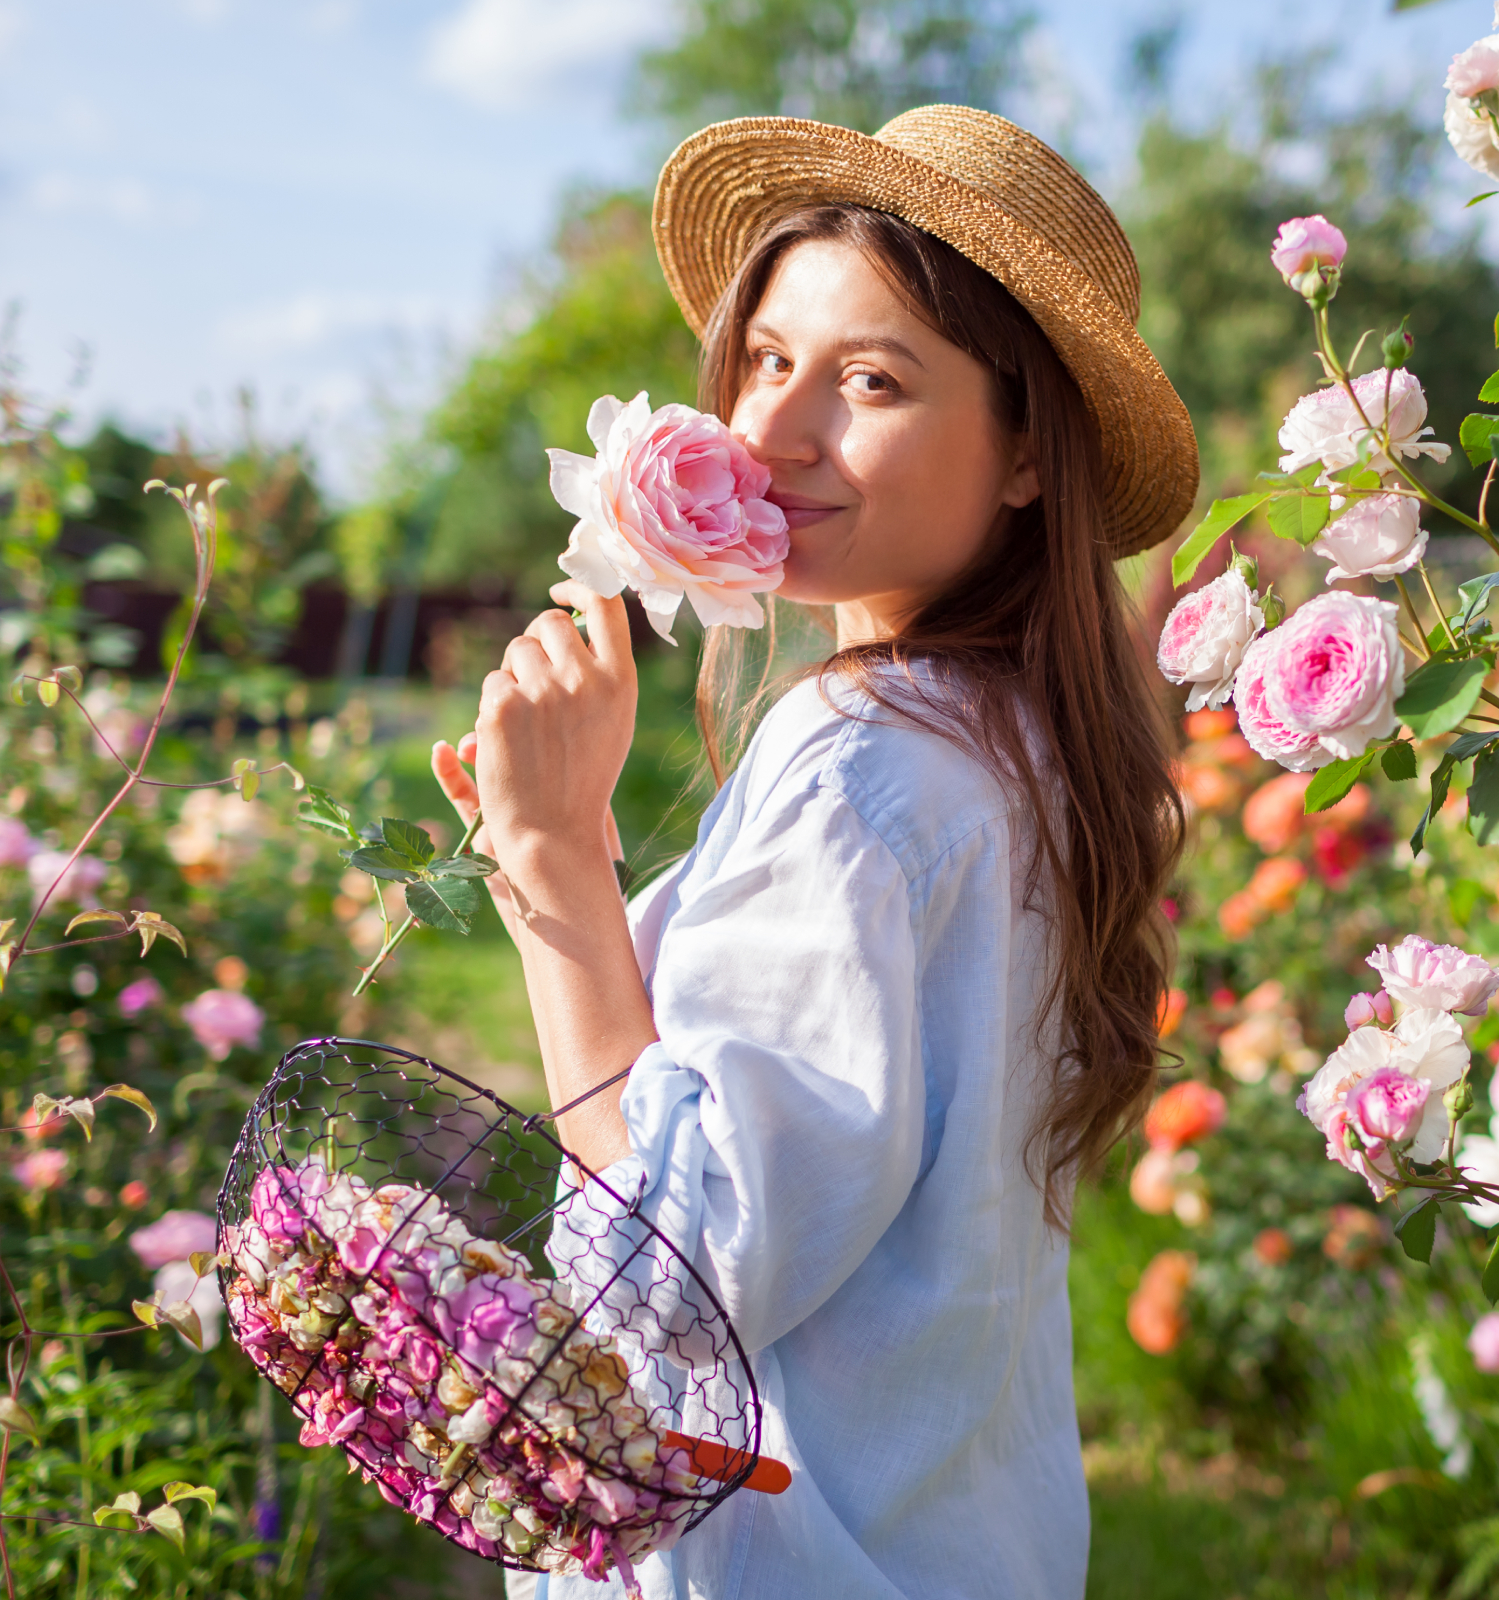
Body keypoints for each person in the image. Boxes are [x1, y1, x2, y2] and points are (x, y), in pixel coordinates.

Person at [432, 105, 1197, 1599]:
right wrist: (563, 841)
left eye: (872, 381)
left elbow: (670, 1281)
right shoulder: (1017, 747)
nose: (777, 434)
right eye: (769, 361)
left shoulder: (857, 770)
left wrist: (558, 880)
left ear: (1029, 455)